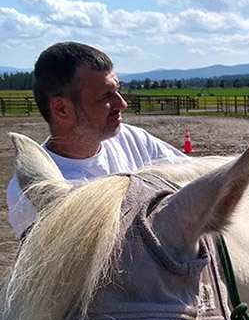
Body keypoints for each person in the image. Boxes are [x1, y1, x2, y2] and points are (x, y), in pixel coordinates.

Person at [6, 42, 184, 237]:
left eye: (118, 90)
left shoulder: (133, 140)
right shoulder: (32, 189)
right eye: (106, 96)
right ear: (62, 109)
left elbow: (190, 178)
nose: (122, 103)